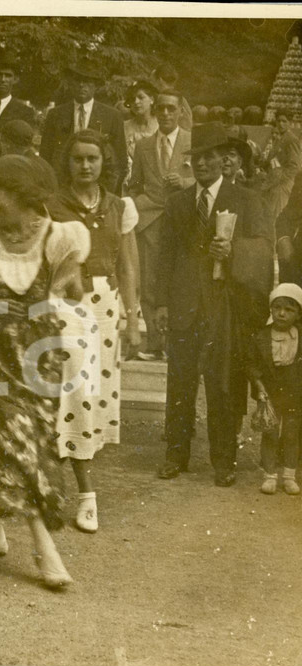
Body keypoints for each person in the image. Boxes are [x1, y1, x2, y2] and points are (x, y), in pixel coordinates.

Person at [0, 154, 88, 589]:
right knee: (11, 443)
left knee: (32, 446)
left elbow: (73, 291)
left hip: (38, 358)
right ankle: (45, 549)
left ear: (24, 195)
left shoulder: (60, 237)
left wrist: (50, 297)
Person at [155, 122, 275, 486]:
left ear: (224, 158)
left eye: (209, 157)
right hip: (184, 304)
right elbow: (165, 259)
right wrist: (160, 304)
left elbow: (265, 250)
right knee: (180, 382)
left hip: (225, 305)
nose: (203, 164)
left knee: (223, 383)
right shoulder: (177, 203)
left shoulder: (247, 200)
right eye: (196, 159)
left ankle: (223, 461)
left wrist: (234, 251)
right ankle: (176, 454)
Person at [46, 130, 141, 533]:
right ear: (67, 163)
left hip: (105, 306)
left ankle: (71, 487)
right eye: (78, 159)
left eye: (93, 159)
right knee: (71, 392)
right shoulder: (51, 205)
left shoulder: (120, 206)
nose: (85, 166)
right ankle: (84, 493)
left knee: (91, 398)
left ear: (105, 163)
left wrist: (133, 318)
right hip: (65, 302)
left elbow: (129, 266)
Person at [128, 90, 194, 362]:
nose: (166, 114)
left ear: (180, 111)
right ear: (155, 112)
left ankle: (177, 344)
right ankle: (155, 342)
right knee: (151, 280)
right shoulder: (143, 146)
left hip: (184, 221)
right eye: (161, 109)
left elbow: (210, 180)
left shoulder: (193, 142)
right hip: (152, 221)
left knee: (181, 279)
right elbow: (133, 185)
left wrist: (186, 184)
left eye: (171, 108)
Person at [246, 283, 302, 496]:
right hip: (270, 389)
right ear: (271, 309)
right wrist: (259, 386)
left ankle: (289, 476)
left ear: (298, 314)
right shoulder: (262, 336)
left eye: (289, 310)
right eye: (278, 307)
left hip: (294, 389)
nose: (282, 313)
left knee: (291, 433)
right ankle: (269, 475)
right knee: (270, 432)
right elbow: (251, 364)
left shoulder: (299, 335)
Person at [40, 59, 128, 194]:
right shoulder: (56, 114)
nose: (82, 85)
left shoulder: (112, 116)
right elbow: (45, 156)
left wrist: (108, 193)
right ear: (70, 84)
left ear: (95, 86)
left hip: (99, 187)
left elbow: (120, 161)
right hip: (62, 187)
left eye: (87, 81)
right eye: (77, 80)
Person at [254, 111, 301, 219]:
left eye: (284, 121)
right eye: (279, 121)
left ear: (290, 123)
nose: (281, 124)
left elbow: (294, 166)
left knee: (276, 215)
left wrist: (278, 178)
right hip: (273, 183)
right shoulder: (279, 138)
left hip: (282, 184)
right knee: (269, 214)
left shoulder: (291, 139)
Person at [123, 80, 159, 169]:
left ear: (152, 100)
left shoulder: (161, 125)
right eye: (132, 99)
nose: (136, 102)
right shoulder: (124, 127)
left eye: (141, 97)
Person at [150, 64, 193, 130]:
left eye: (152, 81)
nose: (152, 85)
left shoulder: (160, 99)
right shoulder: (181, 99)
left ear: (160, 80)